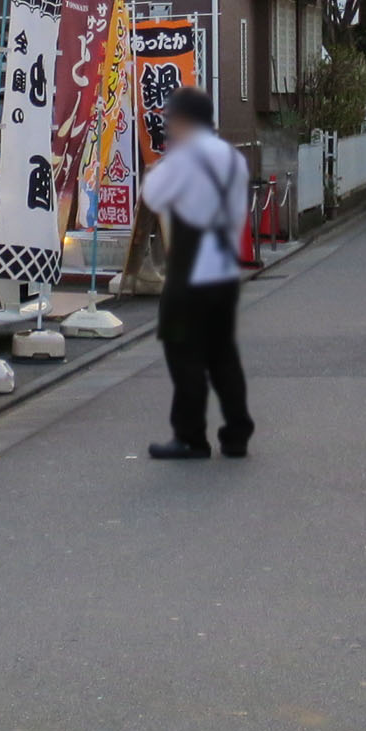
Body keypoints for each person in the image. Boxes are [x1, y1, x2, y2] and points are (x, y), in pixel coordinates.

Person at [139, 87, 254, 460]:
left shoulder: (184, 157)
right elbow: (239, 210)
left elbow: (153, 195)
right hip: (224, 269)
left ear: (185, 120)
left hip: (190, 273)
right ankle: (237, 434)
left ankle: (191, 437)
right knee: (223, 354)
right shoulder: (232, 158)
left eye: (172, 119)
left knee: (183, 352)